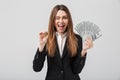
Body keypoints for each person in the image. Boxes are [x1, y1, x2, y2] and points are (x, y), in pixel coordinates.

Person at [33, 4, 93, 80]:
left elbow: (76, 70)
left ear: (69, 20)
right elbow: (37, 68)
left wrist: (83, 51)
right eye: (57, 18)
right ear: (53, 20)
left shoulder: (77, 39)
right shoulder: (47, 38)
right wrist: (41, 47)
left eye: (64, 18)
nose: (61, 21)